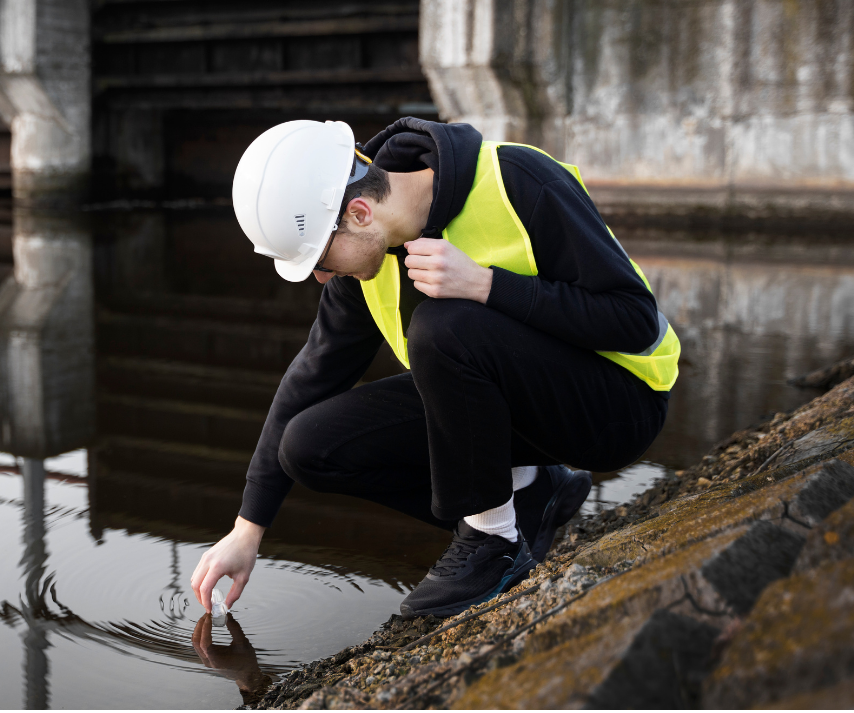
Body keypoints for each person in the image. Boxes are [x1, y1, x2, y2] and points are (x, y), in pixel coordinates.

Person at [189, 117, 679, 618]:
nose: (319, 276)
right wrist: (247, 528)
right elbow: (312, 375)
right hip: (526, 417)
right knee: (310, 445)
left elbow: (634, 319)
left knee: (442, 326)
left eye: (319, 256)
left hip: (618, 406)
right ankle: (531, 494)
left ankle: (493, 545)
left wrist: (488, 285)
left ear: (359, 212)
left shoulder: (519, 179)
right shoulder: (367, 257)